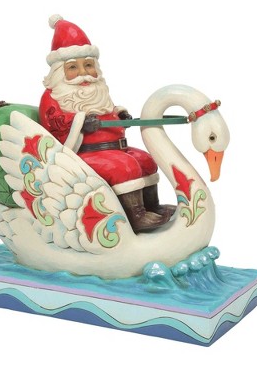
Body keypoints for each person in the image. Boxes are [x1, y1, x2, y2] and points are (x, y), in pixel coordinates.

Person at [39, 15, 172, 232]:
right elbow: (53, 125)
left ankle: (152, 206)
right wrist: (80, 123)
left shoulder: (97, 90)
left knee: (146, 160)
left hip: (116, 148)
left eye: (88, 65)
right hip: (85, 154)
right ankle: (136, 217)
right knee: (124, 166)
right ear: (59, 72)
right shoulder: (54, 96)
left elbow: (106, 110)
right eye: (73, 68)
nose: (83, 73)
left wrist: (120, 115)